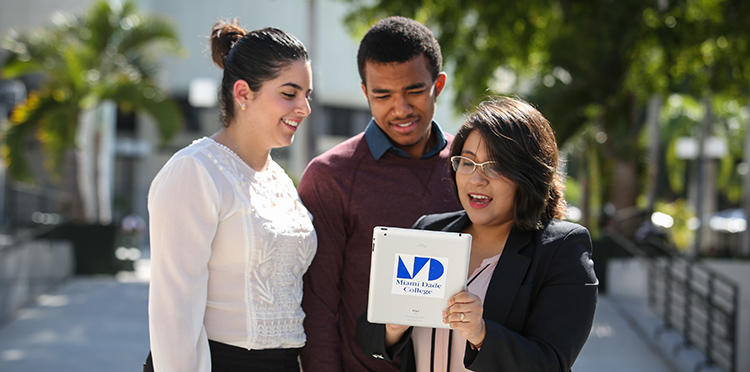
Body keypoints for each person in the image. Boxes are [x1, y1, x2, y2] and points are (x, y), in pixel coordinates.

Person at [356, 97, 598, 371]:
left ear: (528, 174)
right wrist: (392, 326)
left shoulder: (562, 249)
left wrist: (481, 334)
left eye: (495, 166)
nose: (476, 179)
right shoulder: (429, 232)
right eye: (467, 163)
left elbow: (550, 363)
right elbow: (369, 338)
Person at [144, 20, 316, 372]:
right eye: (289, 93)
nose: (304, 107)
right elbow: (173, 311)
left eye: (306, 95)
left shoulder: (282, 181)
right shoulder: (194, 171)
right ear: (243, 94)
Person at [297, 16, 462, 372]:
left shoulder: (470, 168)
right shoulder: (331, 176)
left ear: (439, 85)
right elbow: (319, 305)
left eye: (414, 91)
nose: (400, 109)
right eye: (382, 95)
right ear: (364, 92)